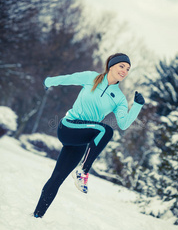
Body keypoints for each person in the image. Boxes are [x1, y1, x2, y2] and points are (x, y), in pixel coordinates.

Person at [33, 53, 145, 218]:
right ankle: (83, 170)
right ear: (111, 66)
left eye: (128, 69)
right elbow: (68, 78)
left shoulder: (120, 98)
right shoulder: (91, 78)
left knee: (57, 178)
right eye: (122, 66)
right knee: (105, 130)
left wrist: (137, 106)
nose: (124, 71)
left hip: (82, 139)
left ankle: (37, 216)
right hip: (69, 126)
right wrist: (48, 81)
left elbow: (123, 123)